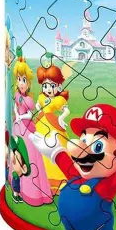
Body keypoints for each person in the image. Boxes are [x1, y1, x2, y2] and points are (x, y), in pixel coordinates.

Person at [13, 47, 53, 205]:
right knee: (18, 156)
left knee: (31, 158)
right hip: (18, 127)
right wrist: (16, 114)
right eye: (19, 79)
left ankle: (34, 193)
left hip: (27, 128)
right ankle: (18, 189)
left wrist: (20, 116)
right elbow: (16, 105)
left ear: (28, 83)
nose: (21, 83)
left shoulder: (29, 100)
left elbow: (30, 115)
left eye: (23, 80)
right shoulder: (17, 94)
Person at [35, 65, 70, 194]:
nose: (48, 89)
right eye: (45, 85)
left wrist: (61, 118)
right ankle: (40, 180)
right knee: (37, 148)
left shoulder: (59, 99)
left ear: (59, 86)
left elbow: (66, 110)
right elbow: (38, 105)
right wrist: (39, 110)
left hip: (53, 124)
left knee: (57, 148)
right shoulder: (41, 97)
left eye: (52, 85)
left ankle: (58, 181)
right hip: (41, 123)